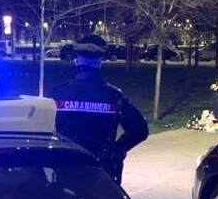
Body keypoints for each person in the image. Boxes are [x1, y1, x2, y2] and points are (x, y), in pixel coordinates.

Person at [48, 34, 148, 184]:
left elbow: (41, 129)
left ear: (77, 61)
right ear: (100, 62)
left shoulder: (57, 94)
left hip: (67, 168)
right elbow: (140, 130)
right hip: (102, 173)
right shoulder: (115, 96)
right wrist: (117, 149)